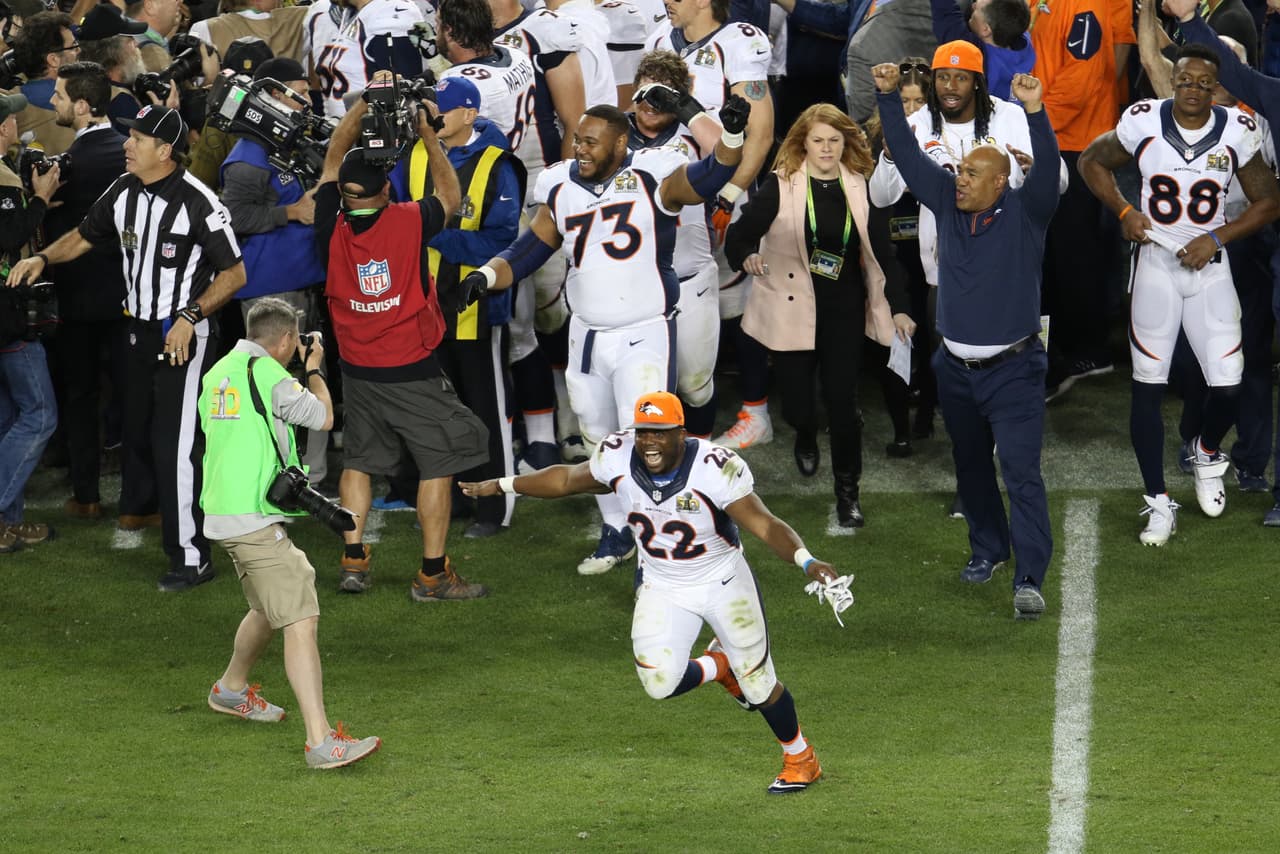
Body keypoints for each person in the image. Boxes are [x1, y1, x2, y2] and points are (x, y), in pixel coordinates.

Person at [459, 391, 841, 794]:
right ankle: (718, 667)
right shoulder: (618, 454)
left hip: (722, 581)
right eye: (643, 433)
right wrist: (502, 485)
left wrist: (806, 560)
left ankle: (801, 758)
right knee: (660, 683)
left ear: (680, 432)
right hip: (662, 583)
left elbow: (764, 524)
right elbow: (567, 480)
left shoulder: (715, 468)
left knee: (760, 684)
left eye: (659, 433)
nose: (649, 443)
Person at [461, 99, 749, 575]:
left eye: (591, 141)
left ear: (621, 143)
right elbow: (531, 247)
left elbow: (708, 177)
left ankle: (657, 548)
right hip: (587, 335)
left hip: (644, 330)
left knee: (648, 441)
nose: (580, 149)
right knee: (599, 442)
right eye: (577, 139)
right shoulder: (560, 184)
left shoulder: (653, 172)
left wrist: (733, 138)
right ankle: (617, 529)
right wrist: (487, 277)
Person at [7, 105, 248, 592]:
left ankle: (192, 557)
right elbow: (84, 236)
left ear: (165, 151)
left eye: (138, 139)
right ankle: (174, 529)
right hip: (134, 331)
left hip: (180, 335)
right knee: (139, 435)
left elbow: (235, 274)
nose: (127, 145)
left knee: (175, 446)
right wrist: (43, 259)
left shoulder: (199, 202)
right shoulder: (124, 189)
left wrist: (190, 315)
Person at [873, 64, 1058, 620]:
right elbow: (907, 156)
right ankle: (988, 550)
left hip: (1014, 370)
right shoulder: (948, 208)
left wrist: (1035, 112)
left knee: (1021, 474)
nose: (960, 178)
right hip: (953, 366)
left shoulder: (1029, 214)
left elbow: (1047, 169)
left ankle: (1029, 575)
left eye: (973, 173)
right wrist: (886, 99)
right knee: (971, 466)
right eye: (959, 171)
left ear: (1000, 182)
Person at [1077, 44, 1280, 544]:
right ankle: (1158, 502)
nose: (1192, 88)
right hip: (1155, 262)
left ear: (1217, 87)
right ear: (1172, 81)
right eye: (1184, 79)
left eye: (1202, 82)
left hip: (1210, 264)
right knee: (1147, 383)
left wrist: (1215, 237)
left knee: (1229, 383)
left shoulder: (1238, 129)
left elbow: (1270, 202)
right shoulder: (1143, 119)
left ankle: (1208, 449)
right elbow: (1091, 162)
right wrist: (1125, 212)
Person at [312, 76, 491, 601]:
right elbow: (450, 196)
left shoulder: (329, 222)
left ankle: (353, 560)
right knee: (440, 459)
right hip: (411, 366)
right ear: (385, 191)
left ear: (345, 193)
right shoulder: (408, 221)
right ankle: (432, 574)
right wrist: (428, 136)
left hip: (358, 368)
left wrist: (365, 102)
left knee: (360, 462)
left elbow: (332, 156)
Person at [200, 296, 380, 770]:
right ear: (286, 340)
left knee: (269, 600)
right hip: (251, 516)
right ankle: (321, 741)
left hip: (222, 509)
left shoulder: (217, 372)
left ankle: (231, 690)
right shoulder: (272, 375)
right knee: (300, 618)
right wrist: (315, 369)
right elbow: (323, 417)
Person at [726, 103, 914, 528]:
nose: (827, 148)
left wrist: (900, 307)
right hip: (791, 307)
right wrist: (747, 257)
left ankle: (849, 493)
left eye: (834, 140)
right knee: (799, 405)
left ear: (846, 142)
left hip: (843, 311)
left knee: (843, 407)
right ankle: (805, 433)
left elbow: (885, 254)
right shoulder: (780, 186)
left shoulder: (862, 186)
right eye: (818, 141)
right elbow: (739, 236)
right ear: (802, 144)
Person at [434, 0, 568, 470]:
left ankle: (517, 441)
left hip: (488, 208)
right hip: (527, 199)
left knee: (507, 334)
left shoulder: (463, 89)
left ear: (450, 30)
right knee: (522, 332)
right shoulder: (513, 53)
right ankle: (541, 438)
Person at [397, 74, 526, 538]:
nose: (430, 118)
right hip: (420, 309)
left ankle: (495, 508)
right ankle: (445, 501)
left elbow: (503, 241)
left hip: (473, 308)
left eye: (440, 110)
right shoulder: (411, 155)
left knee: (485, 408)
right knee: (434, 409)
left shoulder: (497, 164)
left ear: (469, 114)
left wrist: (432, 231)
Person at [219, 57, 330, 488]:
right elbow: (233, 215)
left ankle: (311, 472)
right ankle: (279, 470)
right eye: (298, 91)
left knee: (310, 373)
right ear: (273, 95)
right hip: (272, 287)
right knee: (278, 383)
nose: (306, 101)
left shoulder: (285, 143)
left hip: (302, 278)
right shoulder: (248, 154)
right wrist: (290, 212)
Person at [1029, 0, 1135, 399]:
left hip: (1072, 141)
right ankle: (1068, 347)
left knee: (1073, 253)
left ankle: (1082, 352)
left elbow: (1085, 78)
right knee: (1059, 253)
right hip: (1057, 135)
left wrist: (1031, 121)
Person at [626, 51, 729, 438]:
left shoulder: (695, 133)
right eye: (645, 93)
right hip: (632, 279)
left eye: (661, 96)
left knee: (694, 385)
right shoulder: (613, 131)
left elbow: (729, 153)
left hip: (689, 273)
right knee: (643, 385)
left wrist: (687, 108)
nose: (650, 104)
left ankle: (699, 463)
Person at [44, 61, 129, 520]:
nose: (52, 103)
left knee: (80, 398)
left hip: (77, 301)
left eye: (58, 96)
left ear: (81, 105)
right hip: (128, 298)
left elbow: (58, 234)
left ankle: (87, 497)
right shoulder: (131, 152)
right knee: (134, 397)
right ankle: (140, 503)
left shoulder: (67, 166)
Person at [0, 90, 59, 554]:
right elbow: (10, 235)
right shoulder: (1, 179)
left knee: (7, 419)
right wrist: (39, 199)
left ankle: (10, 524)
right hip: (7, 318)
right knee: (39, 415)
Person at [306, 0, 424, 119]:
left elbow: (402, 94)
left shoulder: (390, 11)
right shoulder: (351, 11)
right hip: (342, 125)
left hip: (372, 129)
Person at [928, 0, 1033, 102]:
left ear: (985, 30)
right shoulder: (1023, 40)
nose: (973, 5)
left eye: (976, 9)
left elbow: (946, 15)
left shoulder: (976, 59)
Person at [12, 10, 80, 155]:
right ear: (53, 60)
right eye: (73, 46)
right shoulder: (81, 103)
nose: (79, 50)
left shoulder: (9, 103)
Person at [74, 4, 147, 136]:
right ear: (115, 52)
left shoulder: (78, 87)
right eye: (130, 41)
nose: (136, 45)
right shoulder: (122, 102)